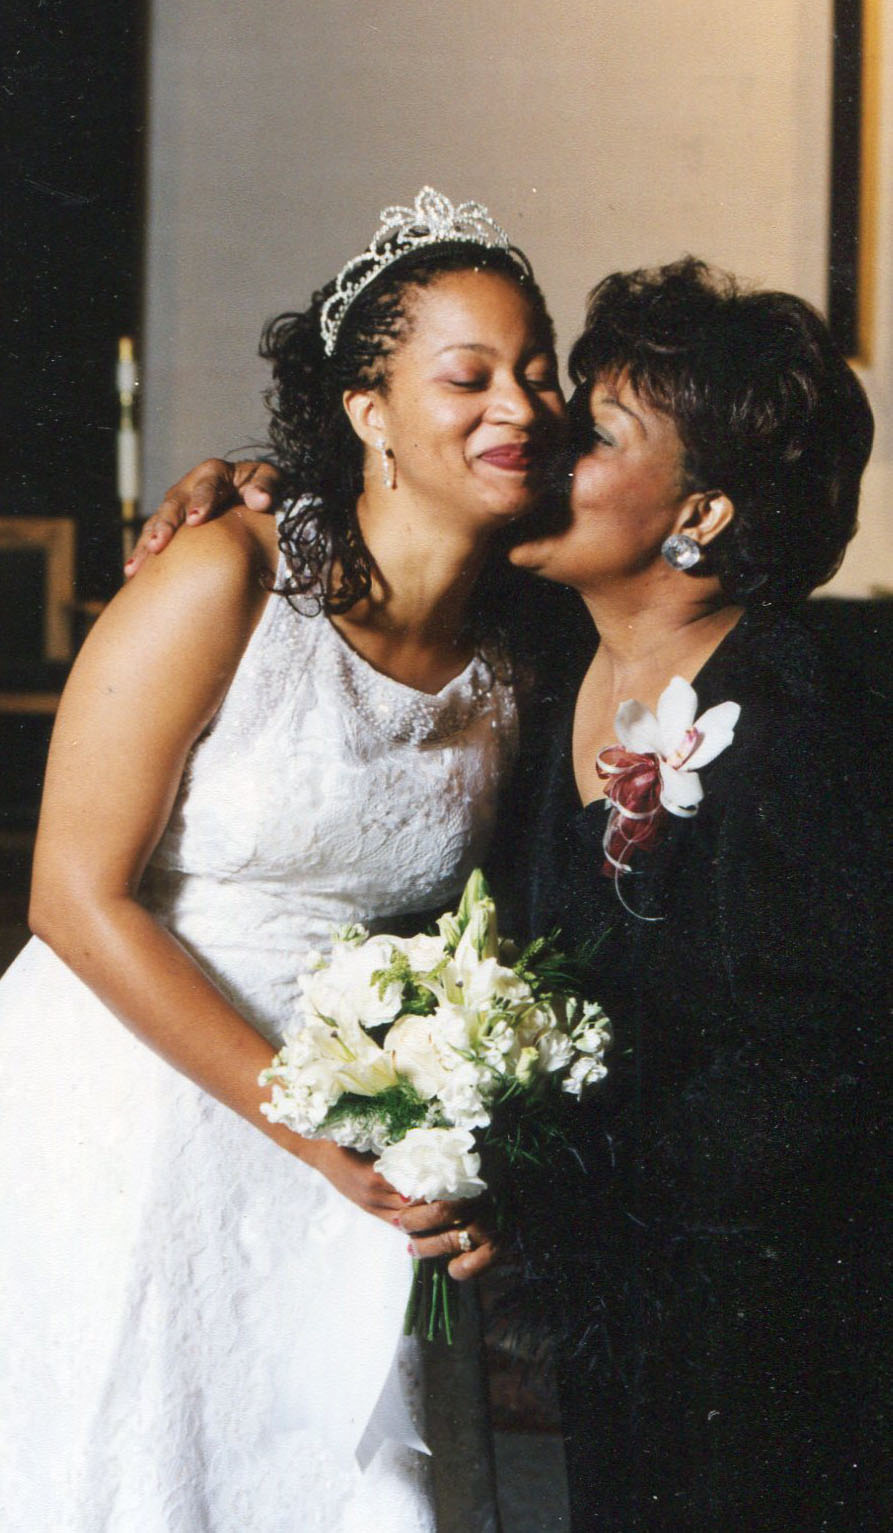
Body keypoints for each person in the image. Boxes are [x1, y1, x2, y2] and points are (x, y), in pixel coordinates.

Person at [155, 258, 888, 1529]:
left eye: (590, 434)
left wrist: (537, 1212)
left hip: (773, 1364)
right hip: (619, 1360)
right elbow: (382, 534)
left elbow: (809, 1091)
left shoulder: (803, 732)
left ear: (700, 515)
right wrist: (257, 484)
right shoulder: (539, 660)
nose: (537, 443)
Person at [0, 188, 566, 1533]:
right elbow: (73, 896)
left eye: (537, 371)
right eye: (470, 375)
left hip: (355, 1147)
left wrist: (422, 1147)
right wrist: (317, 1132)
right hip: (135, 1105)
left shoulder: (514, 658)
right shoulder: (225, 578)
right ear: (368, 411)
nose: (521, 405)